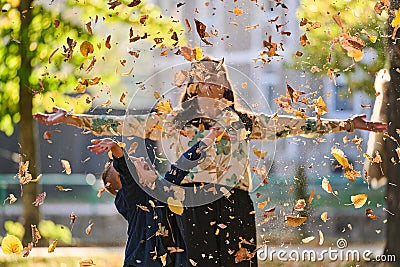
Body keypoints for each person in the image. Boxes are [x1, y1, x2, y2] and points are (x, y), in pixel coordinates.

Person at [34, 58, 387, 266]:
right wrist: (70, 118)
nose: (208, 84)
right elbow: (125, 123)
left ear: (224, 87)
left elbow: (290, 124)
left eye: (214, 79)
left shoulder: (241, 122)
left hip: (236, 201)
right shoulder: (172, 122)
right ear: (191, 87)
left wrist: (347, 124)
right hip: (192, 206)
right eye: (200, 79)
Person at [88, 128, 222, 267]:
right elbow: (124, 168)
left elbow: (183, 164)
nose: (141, 159)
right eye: (134, 163)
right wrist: (115, 147)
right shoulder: (133, 197)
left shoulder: (162, 189)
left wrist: (210, 137)